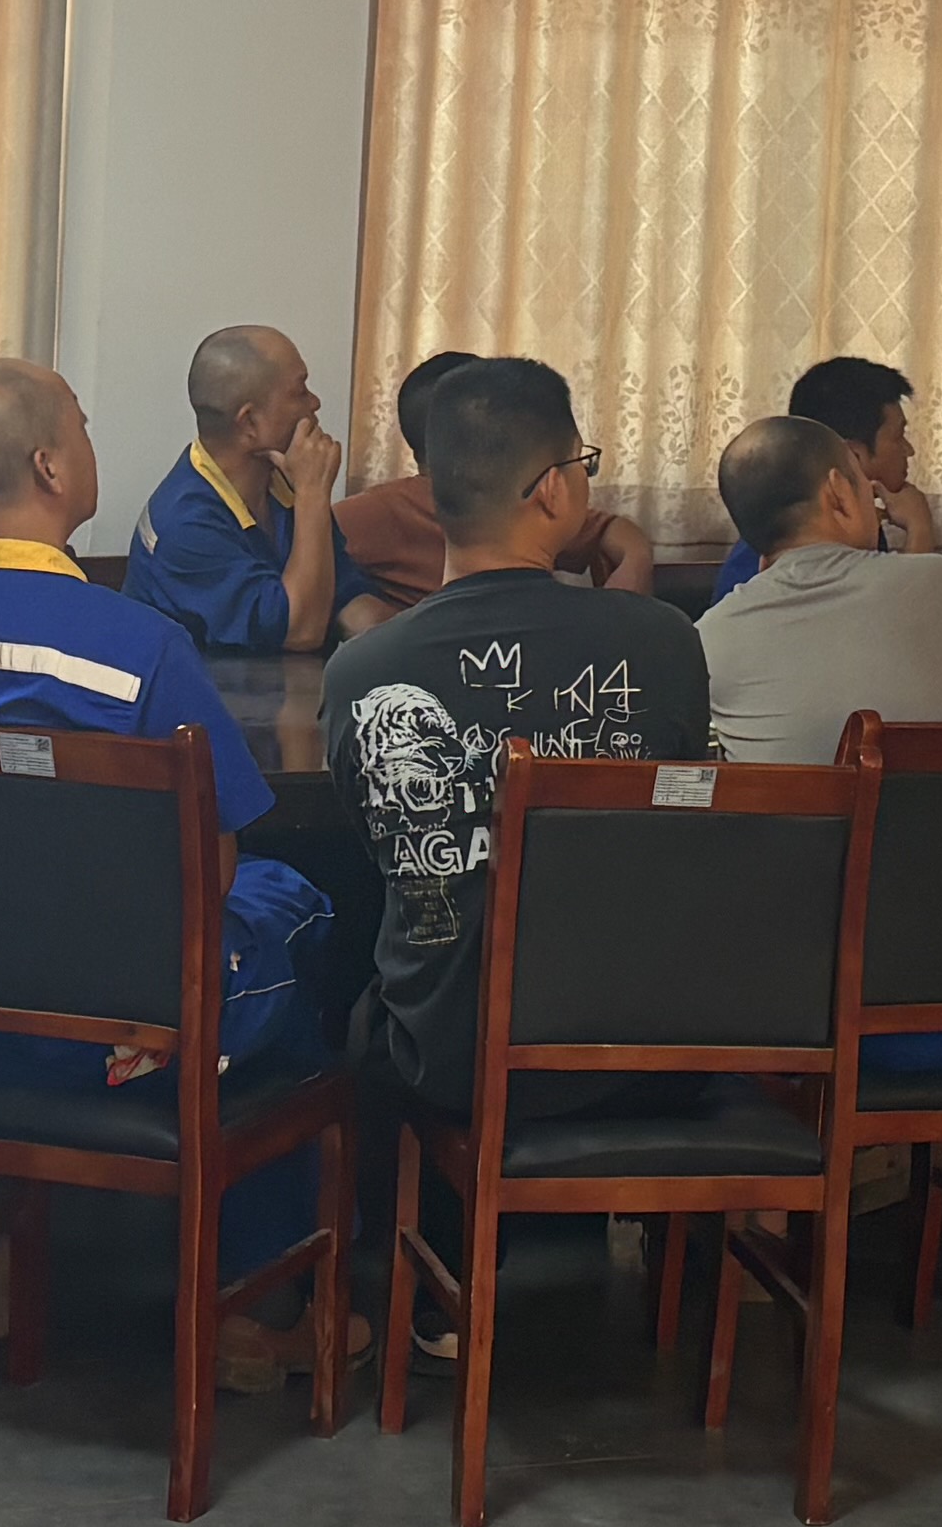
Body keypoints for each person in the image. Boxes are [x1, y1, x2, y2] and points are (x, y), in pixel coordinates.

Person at [0, 357, 338, 1392]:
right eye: (80, 425)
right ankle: (257, 1305)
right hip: (121, 1042)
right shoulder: (139, 647)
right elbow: (215, 859)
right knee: (300, 918)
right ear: (49, 466)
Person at [320, 357, 709, 1126]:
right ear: (554, 489)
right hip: (645, 1051)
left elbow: (381, 848)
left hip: (446, 1058)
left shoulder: (364, 671)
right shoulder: (664, 642)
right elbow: (686, 819)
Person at [700, 413, 942, 767]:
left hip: (789, 806)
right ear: (838, 492)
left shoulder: (709, 634)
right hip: (938, 804)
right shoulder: (940, 581)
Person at [124, 322, 392, 653]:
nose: (315, 402)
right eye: (300, 392)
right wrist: (312, 495)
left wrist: (411, 641)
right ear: (250, 422)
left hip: (291, 683)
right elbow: (298, 632)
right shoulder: (184, 524)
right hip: (214, 685)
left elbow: (345, 597)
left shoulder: (281, 484)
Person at [335, 346, 661, 603]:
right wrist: (356, 606)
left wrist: (634, 562)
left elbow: (610, 530)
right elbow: (318, 551)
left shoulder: (518, 494)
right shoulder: (378, 511)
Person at [710, 354, 942, 597]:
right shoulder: (786, 555)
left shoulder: (851, 526)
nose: (909, 450)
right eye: (898, 437)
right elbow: (896, 616)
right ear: (853, 456)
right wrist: (920, 530)